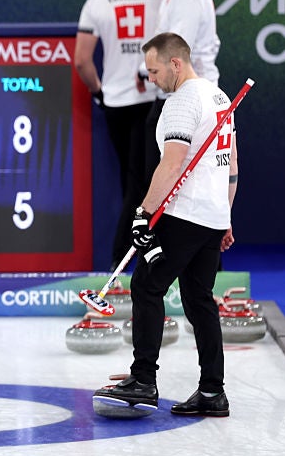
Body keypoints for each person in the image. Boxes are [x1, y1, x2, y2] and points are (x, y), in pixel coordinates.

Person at [94, 32, 237, 418]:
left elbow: (171, 164)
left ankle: (142, 381)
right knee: (198, 299)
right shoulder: (218, 96)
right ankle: (212, 391)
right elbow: (232, 168)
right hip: (211, 218)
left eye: (155, 70)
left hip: (186, 215)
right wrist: (225, 216)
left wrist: (142, 213)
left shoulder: (181, 102)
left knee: (146, 285)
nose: (151, 79)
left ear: (176, 63)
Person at [74, 0, 165, 271]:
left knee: (136, 182)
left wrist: (99, 93)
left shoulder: (97, 0)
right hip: (156, 99)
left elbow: (82, 60)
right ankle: (143, 260)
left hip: (116, 103)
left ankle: (122, 260)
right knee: (148, 181)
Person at [139, 0, 221, 178]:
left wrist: (145, 72)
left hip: (187, 102)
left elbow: (176, 55)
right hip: (177, 98)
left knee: (169, 184)